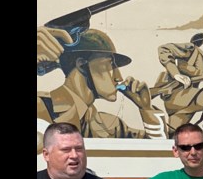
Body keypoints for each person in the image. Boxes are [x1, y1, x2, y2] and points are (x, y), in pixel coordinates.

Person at [37, 27, 166, 140]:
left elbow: (157, 154)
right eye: (110, 65)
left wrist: (146, 109)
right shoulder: (41, 107)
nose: (118, 77)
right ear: (82, 65)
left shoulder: (111, 125)